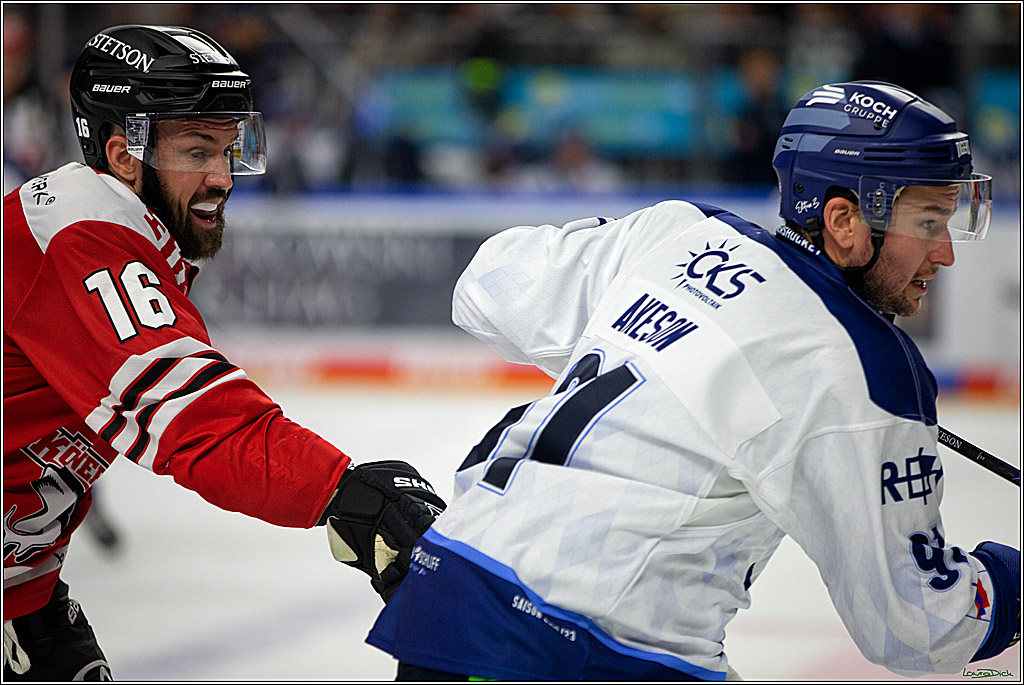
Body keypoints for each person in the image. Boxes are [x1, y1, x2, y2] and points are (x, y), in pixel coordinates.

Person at [365, 81, 1020, 680]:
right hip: (584, 649)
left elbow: (486, 285)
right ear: (845, 221)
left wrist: (661, 355)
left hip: (450, 594)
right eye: (929, 222)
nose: (946, 251)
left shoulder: (680, 232)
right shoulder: (862, 366)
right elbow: (920, 623)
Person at [3, 25, 445, 681]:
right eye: (197, 150)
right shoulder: (80, 237)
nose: (223, 177)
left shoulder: (116, 231)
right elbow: (203, 423)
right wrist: (348, 494)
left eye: (233, 148)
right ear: (126, 157)